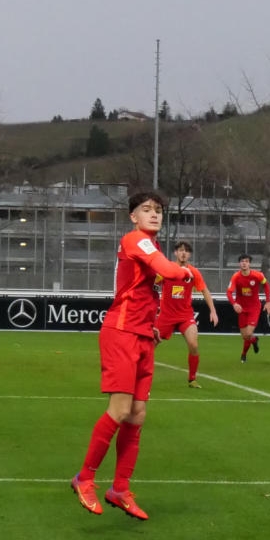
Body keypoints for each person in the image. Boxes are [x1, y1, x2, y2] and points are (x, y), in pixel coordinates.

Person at [70, 189, 192, 520]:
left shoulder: (151, 246)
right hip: (121, 333)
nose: (154, 214)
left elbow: (148, 290)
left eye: (159, 211)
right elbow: (171, 272)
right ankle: (85, 478)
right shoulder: (135, 239)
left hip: (141, 335)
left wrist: (152, 325)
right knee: (121, 409)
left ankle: (120, 489)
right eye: (147, 209)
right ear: (133, 216)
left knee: (137, 414)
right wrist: (186, 272)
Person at [154, 241, 218, 388]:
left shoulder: (194, 272)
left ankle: (192, 379)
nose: (183, 253)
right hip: (166, 315)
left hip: (185, 315)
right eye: (181, 250)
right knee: (150, 345)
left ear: (189, 255)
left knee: (193, 344)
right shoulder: (167, 269)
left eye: (187, 251)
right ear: (175, 253)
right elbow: (153, 284)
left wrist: (213, 311)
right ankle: (138, 375)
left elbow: (205, 290)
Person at [226, 254, 270, 361]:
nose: (244, 263)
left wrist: (268, 301)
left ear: (249, 263)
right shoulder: (236, 276)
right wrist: (234, 304)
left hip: (254, 308)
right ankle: (254, 341)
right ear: (239, 263)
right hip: (241, 309)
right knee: (245, 336)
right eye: (242, 261)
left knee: (248, 333)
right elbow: (229, 292)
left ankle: (243, 355)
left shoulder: (258, 275)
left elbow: (266, 285)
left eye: (246, 261)